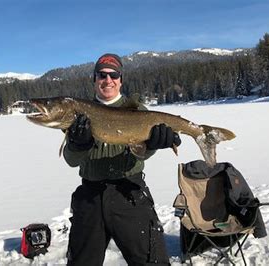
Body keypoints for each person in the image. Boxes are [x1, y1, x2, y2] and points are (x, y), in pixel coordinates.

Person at [63, 53, 181, 266]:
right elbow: (71, 160)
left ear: (120, 79)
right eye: (102, 75)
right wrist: (77, 144)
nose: (108, 80)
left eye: (113, 75)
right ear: (95, 79)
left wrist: (151, 145)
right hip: (90, 196)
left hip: (130, 193)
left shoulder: (137, 111)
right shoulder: (80, 114)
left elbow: (140, 153)